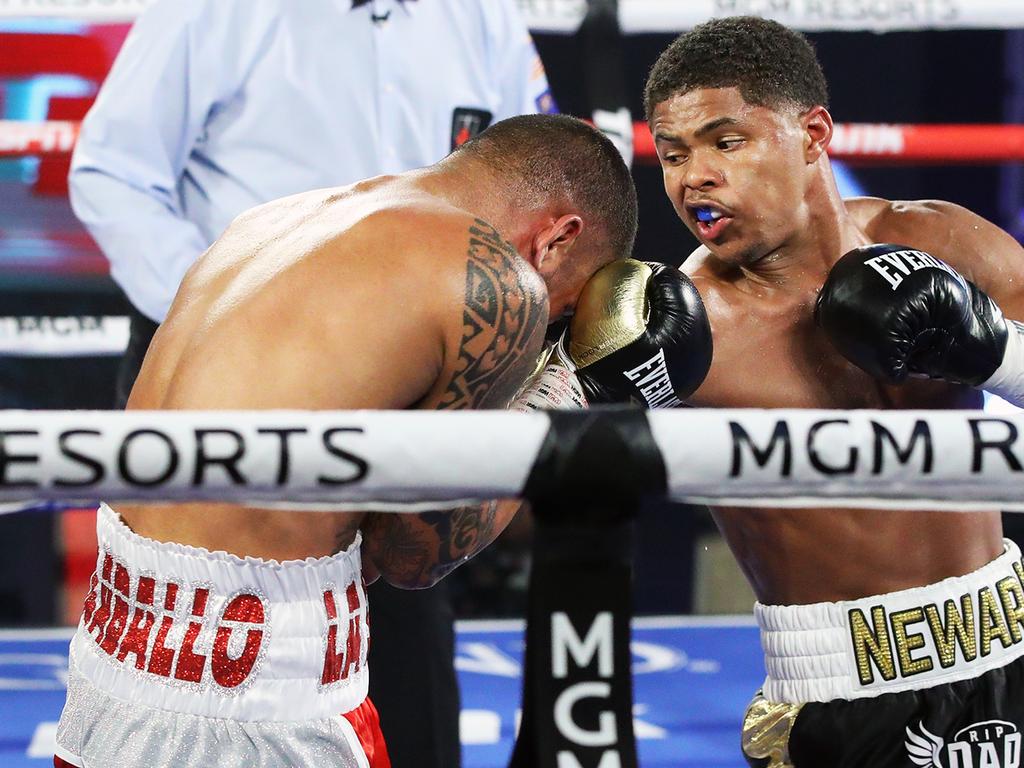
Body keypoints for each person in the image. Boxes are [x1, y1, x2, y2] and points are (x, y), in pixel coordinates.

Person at [54, 113, 712, 767]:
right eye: (565, 310)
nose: (550, 328)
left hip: (111, 662)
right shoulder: (496, 281)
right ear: (557, 240)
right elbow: (414, 554)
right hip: (261, 683)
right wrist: (572, 382)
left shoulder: (273, 220)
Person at [67, 1, 554, 763]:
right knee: (190, 649)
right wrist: (228, 327)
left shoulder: (480, 17)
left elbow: (543, 178)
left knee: (407, 626)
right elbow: (113, 171)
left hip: (412, 386)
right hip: (228, 389)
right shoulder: (213, 11)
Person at [644, 16, 1024, 767]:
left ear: (813, 134)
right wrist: (585, 381)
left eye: (726, 142)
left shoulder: (939, 241)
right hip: (839, 693)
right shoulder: (688, 331)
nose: (695, 178)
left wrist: (994, 351)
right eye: (672, 154)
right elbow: (520, 480)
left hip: (1009, 641)